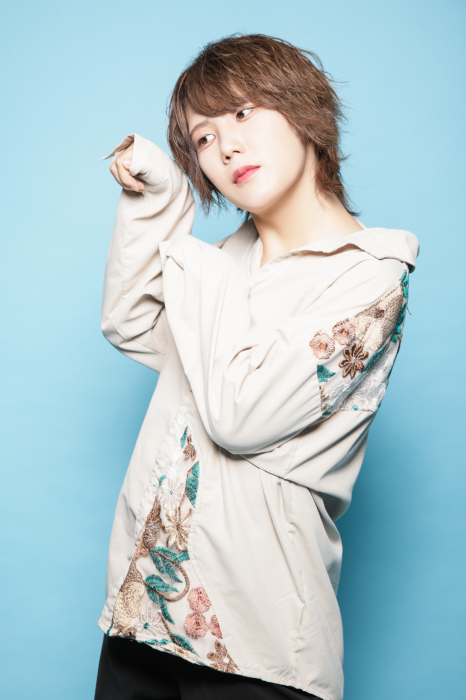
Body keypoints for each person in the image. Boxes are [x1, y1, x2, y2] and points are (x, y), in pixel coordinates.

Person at [93, 33, 419, 700]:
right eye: (203, 138)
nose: (226, 147)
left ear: (303, 109)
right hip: (144, 616)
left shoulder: (370, 278)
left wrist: (190, 256)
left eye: (242, 113)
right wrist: (159, 205)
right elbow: (133, 323)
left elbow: (240, 416)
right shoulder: (227, 262)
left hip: (256, 644)